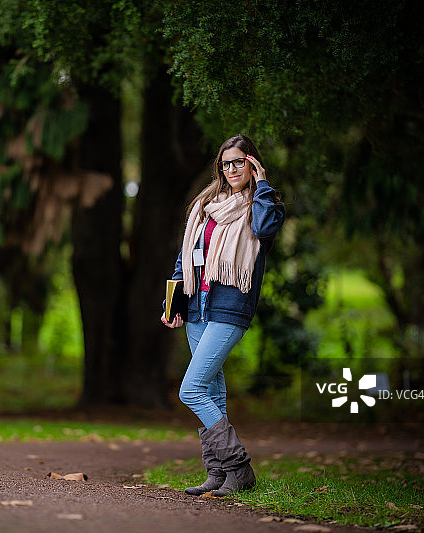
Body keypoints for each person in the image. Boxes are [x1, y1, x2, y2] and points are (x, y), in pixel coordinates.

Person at [161, 133, 285, 496]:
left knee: (191, 389)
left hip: (230, 308)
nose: (231, 169)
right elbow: (187, 257)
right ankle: (217, 475)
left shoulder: (264, 204)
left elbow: (263, 230)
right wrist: (173, 302)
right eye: (226, 163)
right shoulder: (207, 204)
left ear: (253, 164)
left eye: (240, 162)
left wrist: (261, 185)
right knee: (212, 392)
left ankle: (238, 468)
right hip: (196, 306)